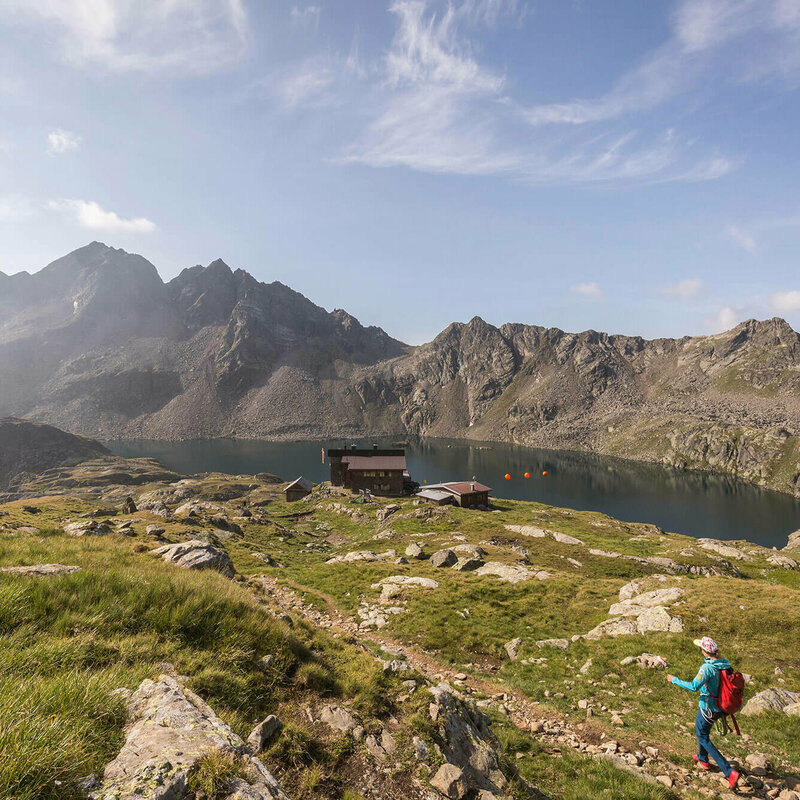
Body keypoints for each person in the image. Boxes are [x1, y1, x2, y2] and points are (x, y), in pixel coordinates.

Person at [667, 636, 740, 789]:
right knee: (702, 732)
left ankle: (729, 771)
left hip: (708, 708)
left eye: (701, 648)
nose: (700, 650)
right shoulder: (724, 664)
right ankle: (703, 758)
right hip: (721, 708)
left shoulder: (706, 668)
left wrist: (674, 680)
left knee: (702, 736)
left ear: (705, 651)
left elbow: (694, 686)